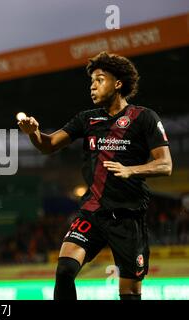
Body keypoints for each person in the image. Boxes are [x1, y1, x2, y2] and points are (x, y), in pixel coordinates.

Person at [18, 51, 172, 300]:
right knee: (65, 270)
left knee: (130, 293)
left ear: (118, 84)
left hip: (128, 217)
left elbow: (165, 165)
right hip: (92, 212)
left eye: (99, 79)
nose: (93, 86)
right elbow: (49, 145)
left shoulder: (144, 117)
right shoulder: (86, 119)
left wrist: (130, 170)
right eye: (91, 82)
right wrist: (33, 133)